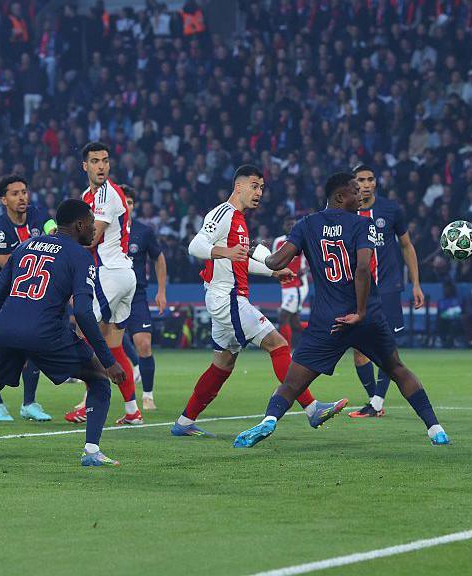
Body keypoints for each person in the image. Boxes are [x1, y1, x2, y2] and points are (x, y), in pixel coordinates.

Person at [234, 172, 449, 448]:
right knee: (397, 368)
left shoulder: (306, 224)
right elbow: (362, 269)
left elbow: (276, 262)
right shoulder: (362, 224)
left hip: (327, 321)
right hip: (366, 316)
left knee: (291, 384)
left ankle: (268, 422)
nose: (360, 194)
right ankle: (435, 429)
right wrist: (359, 312)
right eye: (354, 190)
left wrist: (255, 251)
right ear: (339, 197)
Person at [0, 200, 125, 466]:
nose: (94, 229)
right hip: (46, 333)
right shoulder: (80, 255)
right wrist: (109, 361)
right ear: (78, 225)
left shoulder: (26, 245)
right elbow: (85, 314)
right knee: (98, 378)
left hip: (7, 329)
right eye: (90, 223)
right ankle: (91, 451)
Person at [172, 165, 343, 438]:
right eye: (254, 186)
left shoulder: (239, 220)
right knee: (279, 345)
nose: (259, 192)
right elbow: (195, 246)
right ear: (238, 186)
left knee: (222, 364)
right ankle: (312, 409)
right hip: (226, 297)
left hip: (227, 297)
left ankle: (184, 422)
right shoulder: (223, 214)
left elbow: (241, 262)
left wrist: (273, 271)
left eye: (262, 187)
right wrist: (224, 250)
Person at [66, 142, 140, 425]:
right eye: (95, 161)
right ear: (84, 165)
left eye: (105, 161)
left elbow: (90, 239)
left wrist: (58, 239)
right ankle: (132, 410)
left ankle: (87, 405)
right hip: (122, 275)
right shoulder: (88, 195)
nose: (101, 166)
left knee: (84, 333)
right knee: (115, 345)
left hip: (110, 273)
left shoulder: (108, 195)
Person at [348, 164, 426, 419]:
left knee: (387, 347)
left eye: (371, 179)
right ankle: (374, 399)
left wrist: (415, 283)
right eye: (361, 180)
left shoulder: (390, 210)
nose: (367, 184)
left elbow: (406, 246)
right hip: (357, 291)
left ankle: (377, 402)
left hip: (388, 290)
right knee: (358, 348)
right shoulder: (345, 212)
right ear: (353, 183)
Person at [0, 174, 51, 423]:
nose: (22, 198)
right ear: (3, 199)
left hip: (24, 289)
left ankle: (29, 403)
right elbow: (8, 266)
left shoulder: (38, 215)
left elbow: (54, 231)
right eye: (15, 194)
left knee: (33, 343)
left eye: (24, 192)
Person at [124, 186, 167, 410]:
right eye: (123, 201)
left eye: (130, 202)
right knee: (99, 345)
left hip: (136, 295)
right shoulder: (104, 230)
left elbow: (158, 259)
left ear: (133, 205)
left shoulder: (143, 231)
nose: (127, 206)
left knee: (144, 344)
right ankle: (89, 395)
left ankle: (147, 395)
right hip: (110, 295)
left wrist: (161, 291)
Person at [272, 216, 308, 348]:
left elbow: (311, 259)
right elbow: (273, 260)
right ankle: (324, 334)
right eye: (288, 224)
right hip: (285, 285)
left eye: (293, 224)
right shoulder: (278, 242)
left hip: (298, 285)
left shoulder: (303, 240)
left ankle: (285, 350)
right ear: (284, 226)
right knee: (295, 324)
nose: (291, 227)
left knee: (283, 317)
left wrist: (305, 270)